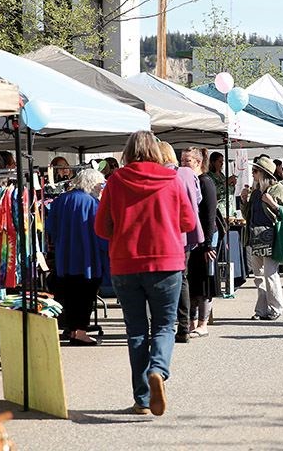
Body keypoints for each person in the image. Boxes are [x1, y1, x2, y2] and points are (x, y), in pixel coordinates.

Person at [95, 131, 196, 416]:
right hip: (166, 262)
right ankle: (158, 370)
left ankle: (141, 399)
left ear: (127, 152)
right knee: (165, 325)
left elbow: (101, 228)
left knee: (136, 331)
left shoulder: (115, 181)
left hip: (126, 264)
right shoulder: (172, 179)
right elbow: (188, 221)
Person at [45, 169, 106, 346]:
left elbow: (51, 228)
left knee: (70, 294)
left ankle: (73, 329)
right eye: (99, 185)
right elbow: (101, 231)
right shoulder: (92, 203)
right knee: (85, 294)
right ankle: (80, 332)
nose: (101, 188)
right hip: (88, 257)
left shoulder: (61, 200)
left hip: (65, 256)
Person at [158, 141, 204, 344]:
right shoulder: (187, 174)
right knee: (182, 278)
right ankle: (184, 326)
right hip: (185, 235)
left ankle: (167, 326)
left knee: (163, 280)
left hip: (165, 235)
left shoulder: (161, 176)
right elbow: (198, 199)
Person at [240, 156, 283, 320]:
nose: (253, 174)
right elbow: (248, 215)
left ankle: (276, 308)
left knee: (270, 274)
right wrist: (243, 201)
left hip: (272, 237)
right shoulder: (255, 193)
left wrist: (273, 204)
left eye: (255, 171)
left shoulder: (278, 189)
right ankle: (261, 310)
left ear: (264, 173)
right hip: (255, 238)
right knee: (258, 277)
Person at [186, 148, 219, 338]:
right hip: (192, 239)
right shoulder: (191, 181)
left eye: (188, 160)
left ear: (198, 162)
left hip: (206, 238)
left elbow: (209, 215)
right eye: (182, 160)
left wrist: (208, 244)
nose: (184, 163)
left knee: (206, 281)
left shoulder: (205, 182)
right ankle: (191, 322)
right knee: (192, 281)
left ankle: (203, 323)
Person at [208, 151, 237, 218]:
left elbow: (229, 192)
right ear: (213, 162)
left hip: (229, 210)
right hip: (219, 211)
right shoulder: (209, 176)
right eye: (220, 162)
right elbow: (212, 191)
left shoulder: (222, 176)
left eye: (222, 162)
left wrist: (232, 184)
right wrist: (227, 182)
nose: (222, 164)